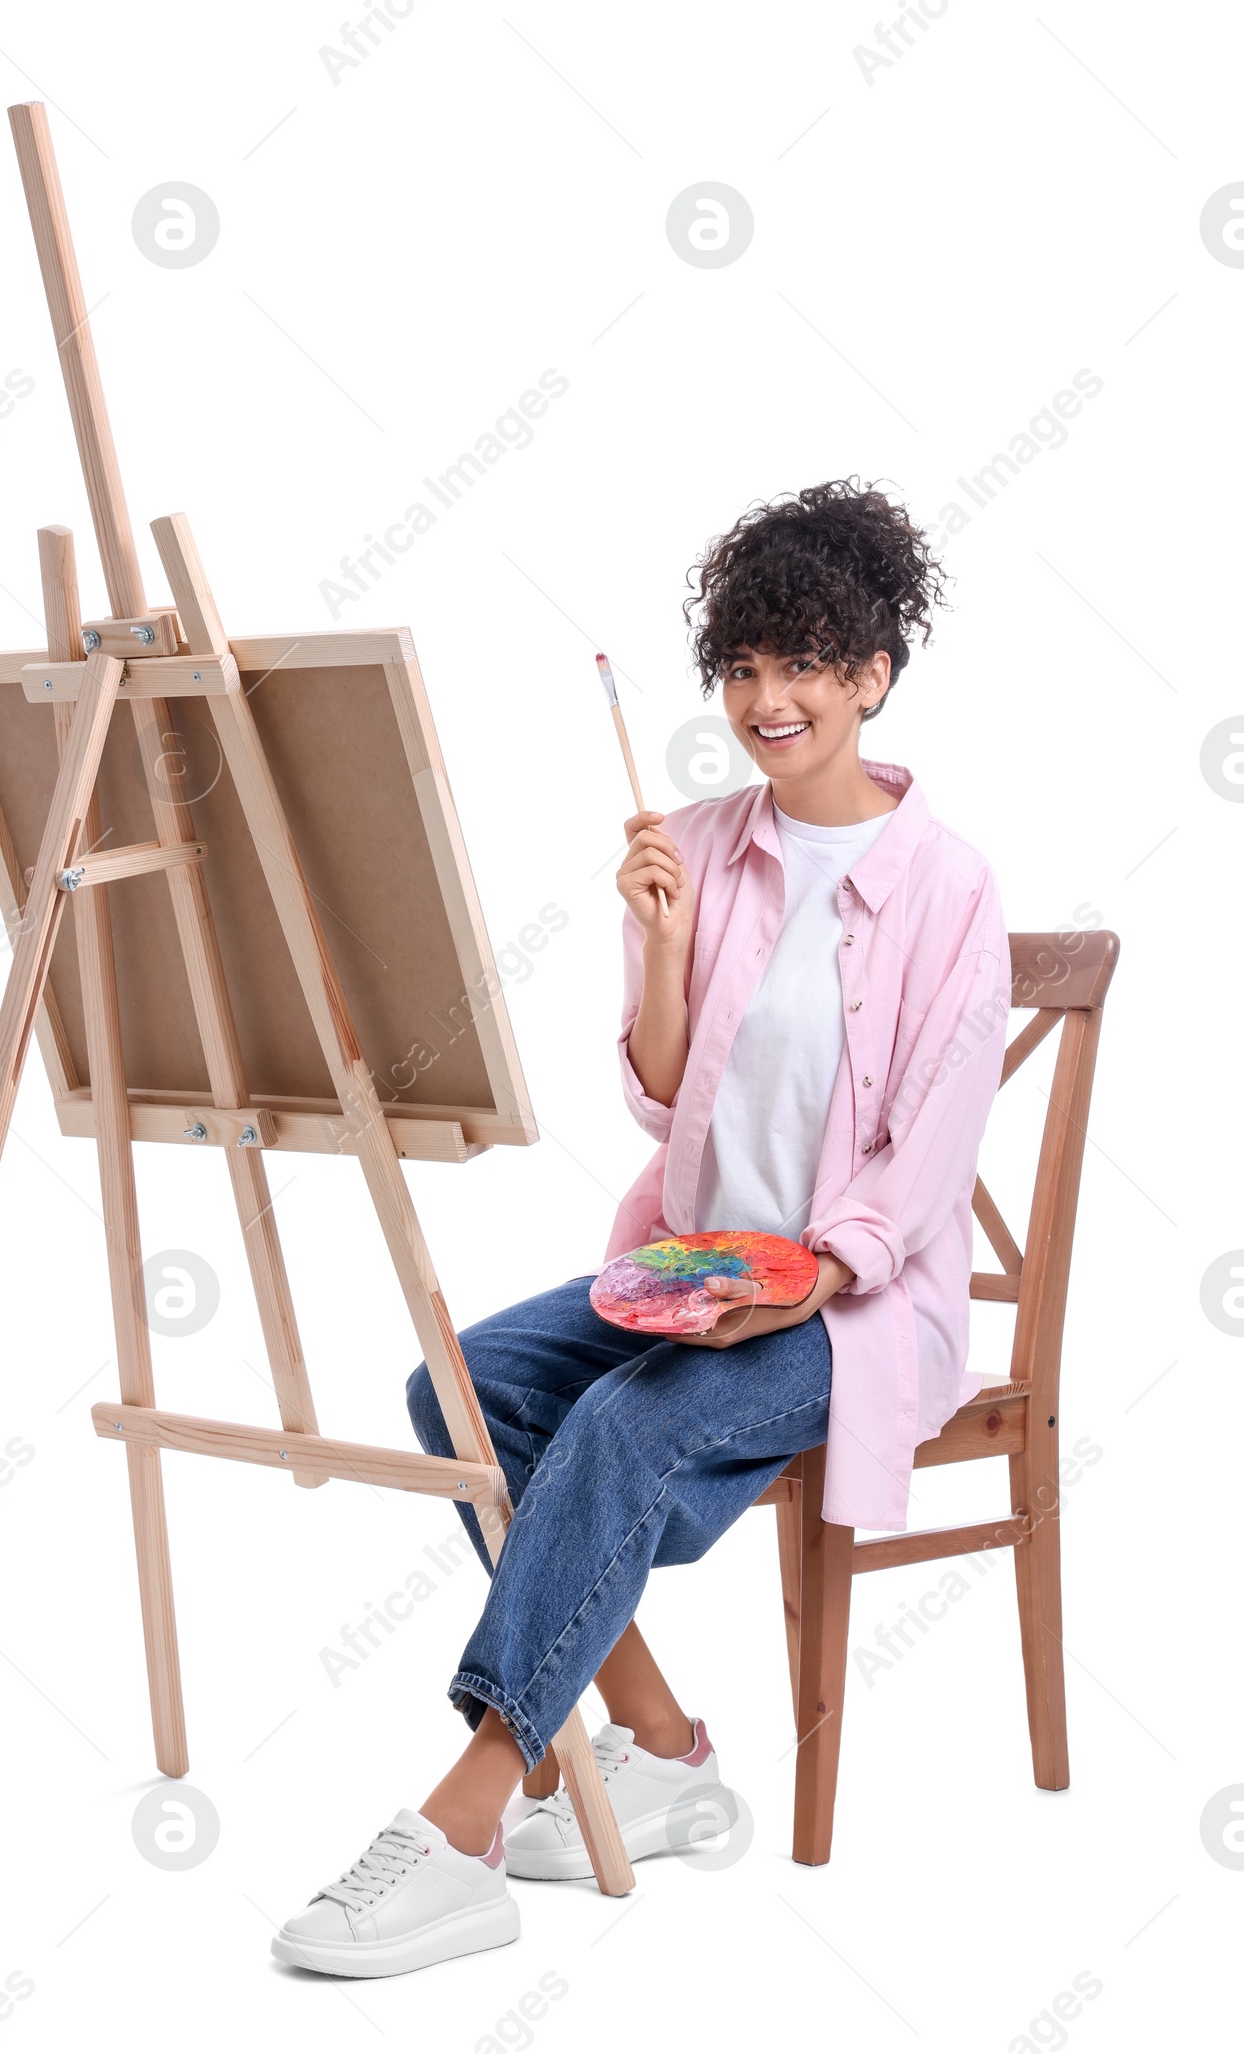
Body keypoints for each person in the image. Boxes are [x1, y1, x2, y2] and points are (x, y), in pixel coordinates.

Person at [272, 480, 1011, 1978]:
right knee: (459, 1384)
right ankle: (665, 1749)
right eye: (742, 667)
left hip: (861, 1306)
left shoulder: (950, 885)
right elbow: (664, 1102)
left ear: (872, 675)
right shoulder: (692, 845)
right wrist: (666, 948)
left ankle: (469, 1819)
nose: (766, 698)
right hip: (692, 1267)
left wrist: (805, 1279)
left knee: (613, 1426)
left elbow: (927, 1162)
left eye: (803, 663)